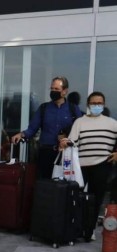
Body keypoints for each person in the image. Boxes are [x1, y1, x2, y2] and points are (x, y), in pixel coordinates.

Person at [59, 91, 117, 240]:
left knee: (97, 199)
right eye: (93, 103)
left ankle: (89, 230)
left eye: (99, 103)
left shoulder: (112, 123)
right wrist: (65, 142)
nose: (96, 105)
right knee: (77, 198)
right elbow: (73, 141)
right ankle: (77, 227)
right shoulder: (80, 122)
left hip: (102, 165)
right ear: (88, 105)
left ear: (103, 105)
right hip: (81, 166)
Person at [12, 76, 82, 179]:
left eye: (57, 89)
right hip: (46, 152)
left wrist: (67, 136)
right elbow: (32, 128)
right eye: (52, 88)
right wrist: (21, 134)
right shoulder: (44, 108)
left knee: (64, 184)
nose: (53, 91)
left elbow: (79, 130)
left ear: (64, 91)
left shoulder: (73, 109)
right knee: (45, 184)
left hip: (66, 152)